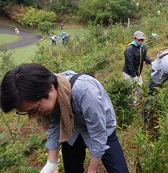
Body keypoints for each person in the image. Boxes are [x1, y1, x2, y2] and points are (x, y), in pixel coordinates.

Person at [0, 63, 129, 173]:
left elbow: (98, 133)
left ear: (50, 89)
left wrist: (92, 169)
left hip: (101, 128)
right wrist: (51, 162)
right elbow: (53, 125)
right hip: (71, 127)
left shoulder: (86, 92)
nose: (33, 116)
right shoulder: (48, 92)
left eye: (35, 110)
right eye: (27, 113)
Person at [123, 31, 152, 104]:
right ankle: (132, 105)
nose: (141, 42)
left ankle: (138, 103)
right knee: (131, 90)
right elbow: (129, 64)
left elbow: (144, 56)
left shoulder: (143, 47)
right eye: (139, 40)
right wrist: (133, 76)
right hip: (129, 73)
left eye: (142, 40)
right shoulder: (129, 49)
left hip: (138, 72)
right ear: (134, 39)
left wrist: (151, 62)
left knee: (140, 89)